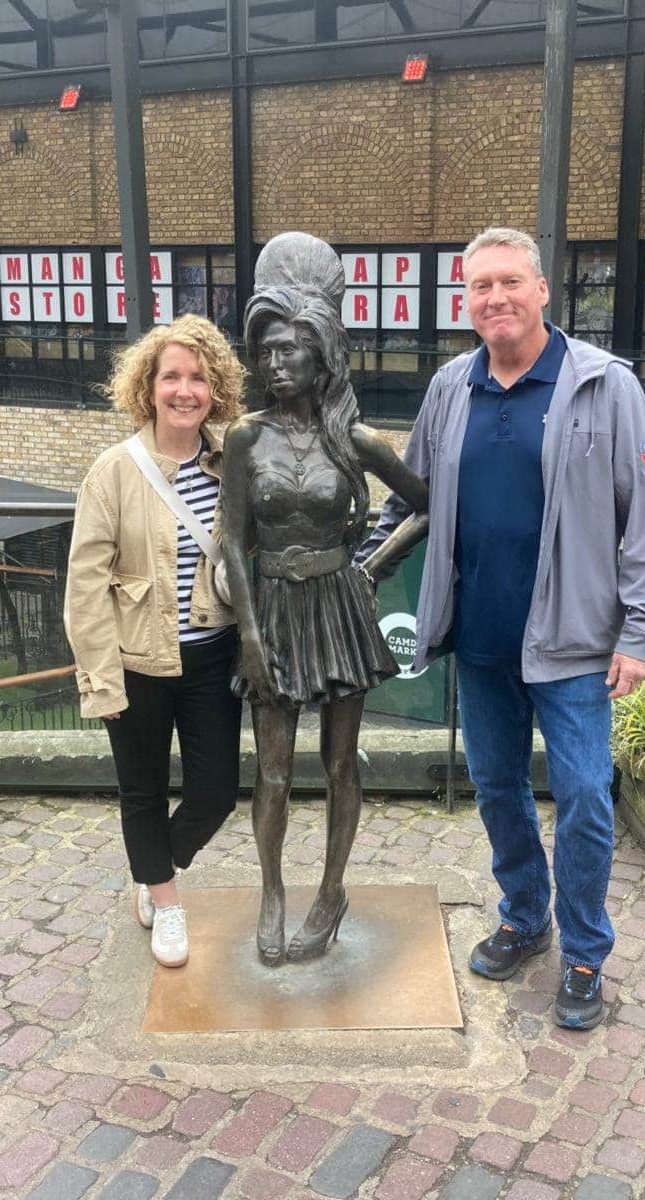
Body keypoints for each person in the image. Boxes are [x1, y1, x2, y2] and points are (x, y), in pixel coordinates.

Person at [360, 227, 645, 1030]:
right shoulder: (450, 387)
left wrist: (640, 633)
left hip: (575, 642)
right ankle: (525, 917)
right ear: (467, 301)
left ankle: (585, 953)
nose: (495, 297)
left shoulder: (605, 385)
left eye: (509, 281)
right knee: (498, 789)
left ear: (541, 290)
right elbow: (409, 496)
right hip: (481, 637)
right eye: (480, 286)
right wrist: (365, 562)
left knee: (585, 799)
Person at [220, 232, 429, 967]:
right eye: (266, 351)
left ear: (321, 355)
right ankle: (272, 892)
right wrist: (249, 635)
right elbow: (232, 541)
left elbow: (427, 503)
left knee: (341, 764)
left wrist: (373, 565)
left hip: (340, 607)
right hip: (273, 610)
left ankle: (332, 890)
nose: (275, 364)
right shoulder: (245, 440)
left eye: (290, 350)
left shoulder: (356, 440)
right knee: (273, 770)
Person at [64, 314, 247, 968]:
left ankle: (154, 866)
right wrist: (101, 680)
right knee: (141, 790)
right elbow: (86, 585)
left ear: (215, 389)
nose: (184, 390)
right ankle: (166, 902)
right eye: (172, 376)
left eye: (198, 377)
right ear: (148, 386)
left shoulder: (232, 464)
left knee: (216, 792)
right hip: (137, 661)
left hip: (213, 656)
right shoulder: (113, 472)